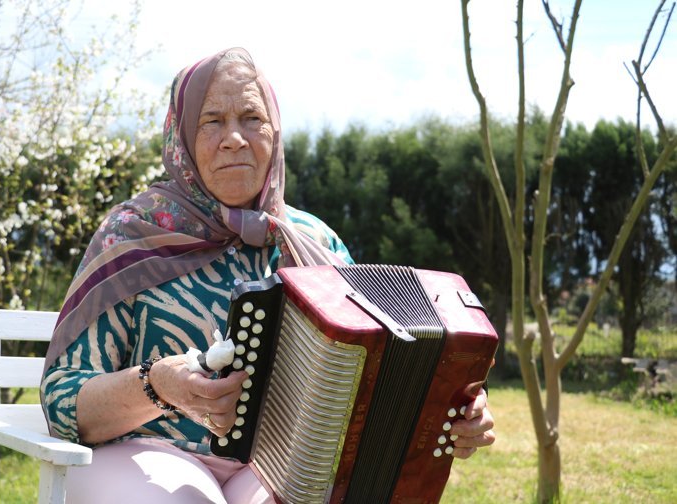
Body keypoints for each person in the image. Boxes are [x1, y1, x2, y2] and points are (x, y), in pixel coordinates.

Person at [41, 47, 496, 504]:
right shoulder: (132, 233)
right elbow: (64, 401)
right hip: (145, 452)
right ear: (181, 136)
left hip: (277, 468)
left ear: (274, 132)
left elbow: (372, 375)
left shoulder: (315, 241)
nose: (234, 138)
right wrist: (159, 385)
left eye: (251, 118)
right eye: (212, 120)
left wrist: (446, 411)